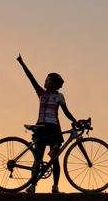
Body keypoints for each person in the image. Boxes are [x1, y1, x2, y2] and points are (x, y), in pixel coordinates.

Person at [17, 54, 76, 193]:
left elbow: (66, 112)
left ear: (54, 83)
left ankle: (55, 186)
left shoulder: (59, 97)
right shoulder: (41, 93)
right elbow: (31, 78)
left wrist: (75, 120)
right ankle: (32, 185)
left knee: (54, 159)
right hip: (41, 127)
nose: (45, 81)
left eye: (47, 80)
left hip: (54, 127)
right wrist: (23, 64)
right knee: (38, 158)